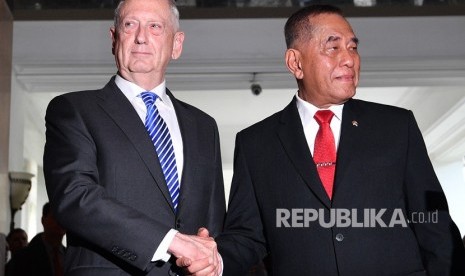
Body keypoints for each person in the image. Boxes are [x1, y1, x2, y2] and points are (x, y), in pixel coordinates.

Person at [215, 4, 465, 275]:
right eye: (333, 48)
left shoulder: (396, 127)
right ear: (295, 63)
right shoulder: (255, 144)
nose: (349, 59)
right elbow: (246, 236)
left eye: (353, 47)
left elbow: (434, 224)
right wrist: (211, 259)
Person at [43, 0, 225, 275]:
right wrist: (171, 242)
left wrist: (211, 262)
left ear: (176, 44)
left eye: (155, 26)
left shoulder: (204, 126)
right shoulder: (73, 110)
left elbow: (213, 223)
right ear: (114, 39)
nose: (141, 37)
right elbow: (74, 196)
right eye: (130, 25)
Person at [6, 203, 66, 276]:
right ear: (43, 220)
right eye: (55, 217)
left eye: (64, 217)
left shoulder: (71, 255)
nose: (60, 221)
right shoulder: (23, 257)